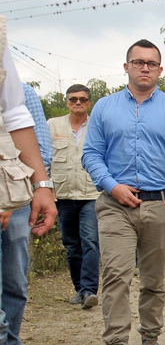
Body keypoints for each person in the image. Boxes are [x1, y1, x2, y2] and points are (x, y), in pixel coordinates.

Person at [82, 39, 165, 345]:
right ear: (126, 67)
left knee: (153, 277)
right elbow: (90, 154)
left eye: (151, 63)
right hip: (115, 204)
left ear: (161, 70)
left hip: (160, 203)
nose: (144, 68)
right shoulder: (104, 108)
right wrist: (112, 185)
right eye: (138, 62)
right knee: (116, 273)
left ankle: (150, 337)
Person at [0, 16, 58, 345]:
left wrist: (42, 184)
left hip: (12, 192)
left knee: (15, 281)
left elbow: (18, 117)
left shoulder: (2, 42)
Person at [2, 83, 53, 345]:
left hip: (16, 197)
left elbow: (40, 149)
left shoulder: (19, 92)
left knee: (14, 278)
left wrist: (39, 188)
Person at [47, 84, 102, 299]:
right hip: (62, 194)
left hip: (91, 194)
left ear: (89, 103)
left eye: (82, 99)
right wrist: (46, 190)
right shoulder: (52, 125)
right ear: (67, 102)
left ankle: (89, 291)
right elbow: (44, 158)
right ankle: (79, 289)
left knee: (90, 241)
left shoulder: (97, 127)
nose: (77, 102)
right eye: (73, 99)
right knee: (71, 244)